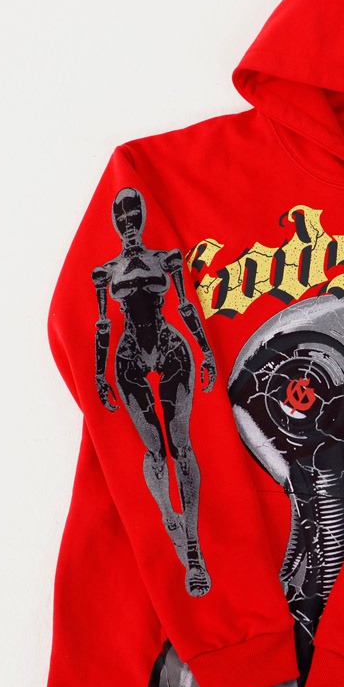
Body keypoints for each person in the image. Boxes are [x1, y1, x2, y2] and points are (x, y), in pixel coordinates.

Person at [92, 187, 217, 597]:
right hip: (129, 354)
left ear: (143, 216)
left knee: (181, 444)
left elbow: (185, 306)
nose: (129, 224)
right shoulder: (105, 272)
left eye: (134, 215)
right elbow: (103, 326)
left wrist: (206, 351)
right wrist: (98, 376)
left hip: (170, 346)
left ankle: (194, 548)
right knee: (155, 451)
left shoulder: (167, 259)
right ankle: (167, 513)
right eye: (122, 217)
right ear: (114, 222)